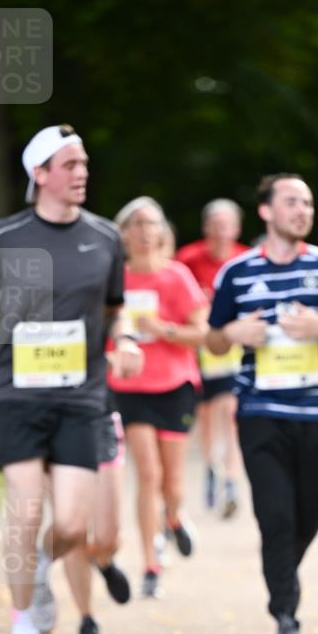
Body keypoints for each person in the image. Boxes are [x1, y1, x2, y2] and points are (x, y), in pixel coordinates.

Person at [0, 124, 143, 634]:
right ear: (40, 174)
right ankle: (22, 631)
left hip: (81, 395)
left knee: (74, 526)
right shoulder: (3, 236)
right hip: (16, 393)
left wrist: (124, 339)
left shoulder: (104, 237)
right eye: (70, 165)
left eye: (83, 164)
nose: (82, 173)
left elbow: (115, 307)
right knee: (26, 509)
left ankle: (32, 569)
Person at [207, 174, 318, 634]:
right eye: (292, 202)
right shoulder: (236, 273)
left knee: (308, 518)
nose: (302, 210)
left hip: (317, 411)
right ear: (266, 211)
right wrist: (234, 330)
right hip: (260, 412)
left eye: (308, 202)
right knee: (275, 516)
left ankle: (281, 574)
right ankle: (286, 616)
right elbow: (213, 339)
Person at [108, 197, 209, 599]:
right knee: (147, 475)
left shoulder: (176, 276)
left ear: (161, 231)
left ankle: (173, 516)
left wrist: (163, 329)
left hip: (175, 386)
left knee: (172, 482)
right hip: (130, 388)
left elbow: (202, 333)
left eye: (151, 224)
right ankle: (151, 563)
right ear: (123, 233)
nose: (144, 232)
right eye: (135, 224)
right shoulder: (113, 278)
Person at [176, 199, 248, 517]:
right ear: (206, 228)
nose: (221, 230)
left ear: (236, 227)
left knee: (231, 412)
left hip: (233, 344)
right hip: (198, 347)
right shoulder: (188, 259)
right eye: (215, 224)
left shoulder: (245, 258)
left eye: (226, 223)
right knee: (206, 417)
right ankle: (210, 468)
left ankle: (231, 480)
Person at [62, 407, 128, 634]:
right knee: (73, 528)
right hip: (53, 419)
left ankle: (104, 561)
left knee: (107, 536)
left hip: (99, 415)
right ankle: (86, 618)